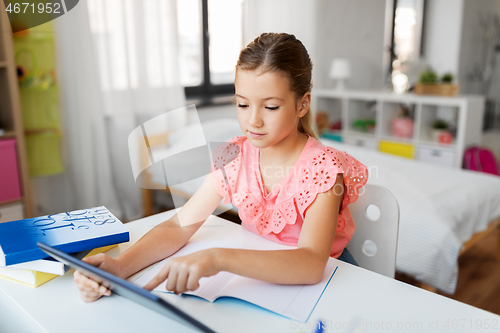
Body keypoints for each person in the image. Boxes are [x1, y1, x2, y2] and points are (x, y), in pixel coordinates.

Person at [74, 32, 368, 303]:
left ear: (302, 105)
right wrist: (119, 266)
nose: (253, 120)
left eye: (271, 107)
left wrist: (217, 258)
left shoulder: (323, 169)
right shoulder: (235, 155)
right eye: (242, 105)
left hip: (326, 291)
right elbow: (179, 225)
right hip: (267, 286)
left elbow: (311, 264)